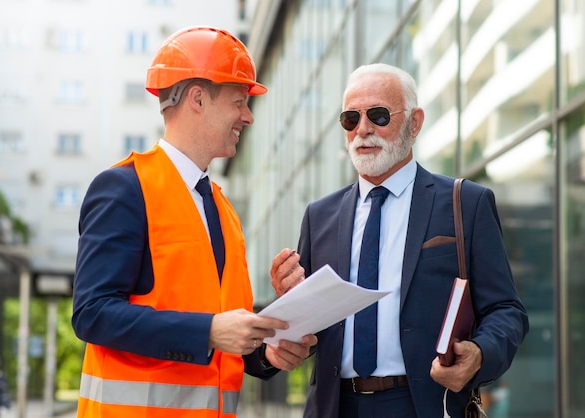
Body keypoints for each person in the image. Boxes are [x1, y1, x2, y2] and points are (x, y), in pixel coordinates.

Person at [71, 26, 316, 418]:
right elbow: (92, 313)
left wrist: (269, 351)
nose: (248, 117)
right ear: (198, 99)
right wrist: (208, 332)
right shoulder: (124, 188)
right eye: (240, 101)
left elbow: (227, 334)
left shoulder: (222, 208)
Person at [269, 63, 529, 418]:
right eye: (350, 119)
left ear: (415, 122)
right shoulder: (320, 216)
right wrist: (288, 309)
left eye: (378, 115)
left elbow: (506, 311)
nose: (363, 129)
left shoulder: (465, 203)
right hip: (335, 406)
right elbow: (310, 324)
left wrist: (480, 353)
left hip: (423, 404)